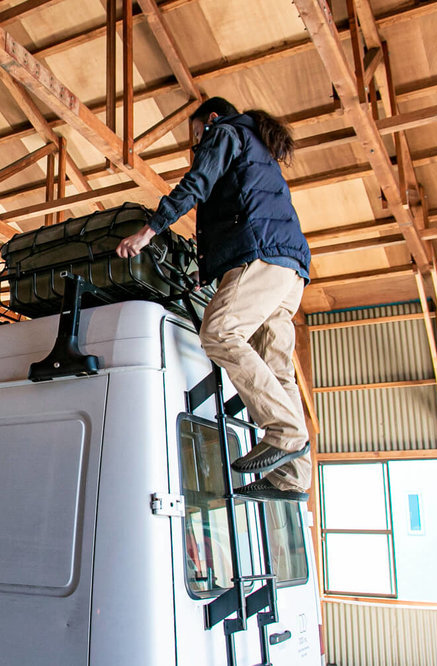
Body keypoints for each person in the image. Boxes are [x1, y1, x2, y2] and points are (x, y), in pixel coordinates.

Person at [117, 97, 311, 502]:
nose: (197, 144)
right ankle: (294, 479)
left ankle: (286, 433)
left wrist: (148, 231)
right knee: (277, 369)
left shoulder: (226, 131)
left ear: (211, 119)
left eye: (196, 135)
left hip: (259, 255)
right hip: (290, 268)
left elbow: (197, 183)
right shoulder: (257, 147)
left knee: (219, 332)